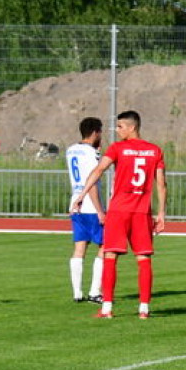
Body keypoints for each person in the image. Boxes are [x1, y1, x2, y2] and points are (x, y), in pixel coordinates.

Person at [72, 110, 167, 319]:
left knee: (110, 256)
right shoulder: (155, 150)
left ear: (132, 127)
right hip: (142, 211)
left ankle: (106, 309)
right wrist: (161, 213)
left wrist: (81, 195)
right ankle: (144, 309)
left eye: (120, 126)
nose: (117, 131)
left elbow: (98, 171)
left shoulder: (118, 148)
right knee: (143, 259)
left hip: (119, 210)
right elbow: (161, 184)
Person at [65, 117, 105, 303]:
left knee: (79, 248)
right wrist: (100, 210)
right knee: (103, 247)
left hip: (75, 203)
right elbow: (93, 182)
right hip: (90, 205)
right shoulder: (92, 153)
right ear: (95, 132)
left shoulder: (71, 150)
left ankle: (77, 293)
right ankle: (94, 291)